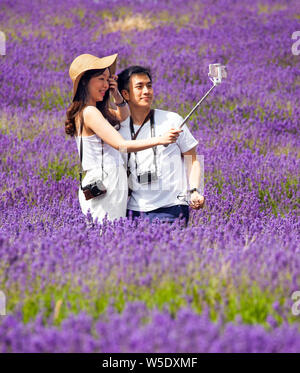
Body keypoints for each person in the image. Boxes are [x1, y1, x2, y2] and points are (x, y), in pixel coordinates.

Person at [65, 54, 181, 224]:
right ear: (85, 81)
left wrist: (116, 94)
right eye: (101, 79)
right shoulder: (90, 112)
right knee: (106, 231)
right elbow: (121, 145)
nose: (106, 84)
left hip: (110, 179)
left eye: (108, 79)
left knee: (112, 230)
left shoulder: (94, 110)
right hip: (104, 181)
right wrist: (159, 140)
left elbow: (123, 116)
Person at [117, 65, 205, 226]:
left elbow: (192, 160)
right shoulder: (119, 130)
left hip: (172, 208)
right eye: (139, 87)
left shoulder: (172, 120)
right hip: (134, 210)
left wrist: (194, 191)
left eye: (149, 86)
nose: (146, 91)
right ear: (125, 94)